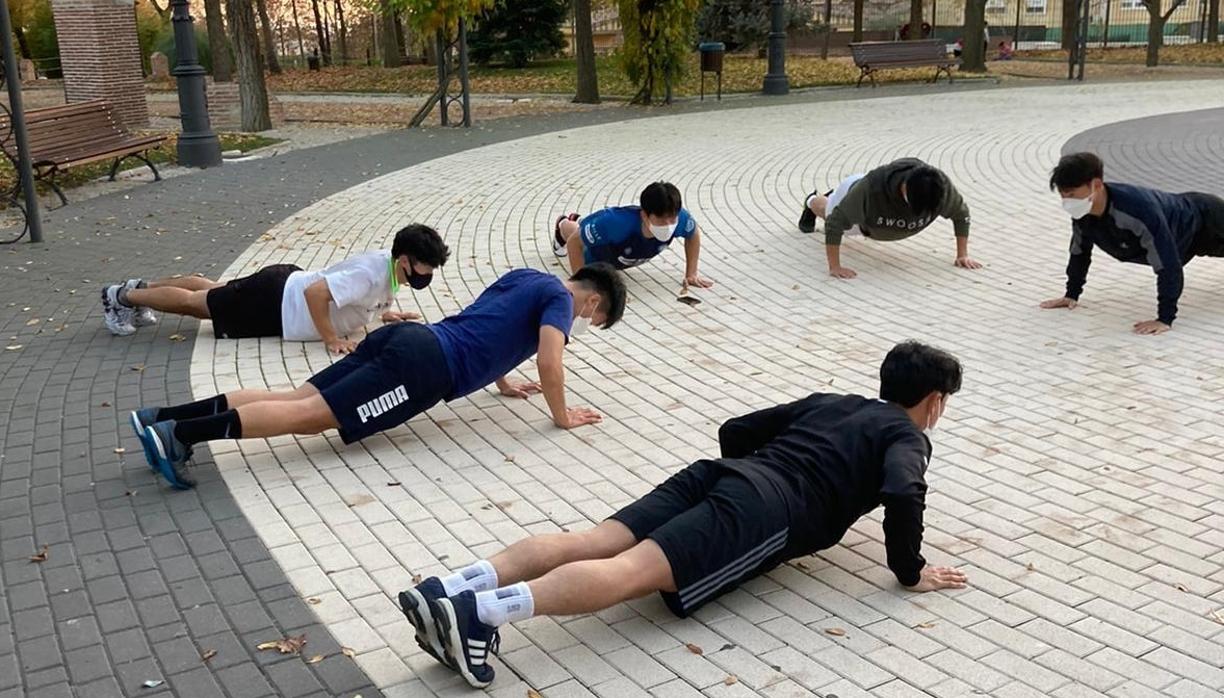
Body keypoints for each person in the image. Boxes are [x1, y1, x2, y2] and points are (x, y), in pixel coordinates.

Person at [398, 341, 967, 688]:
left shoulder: (833, 402)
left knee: (594, 540)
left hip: (714, 476)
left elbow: (737, 431)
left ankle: (445, 588)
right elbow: (903, 492)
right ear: (935, 400)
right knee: (628, 574)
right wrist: (910, 571)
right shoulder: (908, 436)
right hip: (761, 508)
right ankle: (480, 613)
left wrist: (735, 486)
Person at [130, 264, 627, 489]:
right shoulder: (562, 302)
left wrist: (502, 381)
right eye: (594, 319)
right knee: (308, 417)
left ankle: (163, 418)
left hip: (413, 341)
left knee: (292, 394)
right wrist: (561, 417)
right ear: (593, 301)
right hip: (424, 368)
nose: (583, 321)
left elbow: (489, 326)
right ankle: (180, 437)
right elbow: (549, 360)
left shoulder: (529, 278)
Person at [100, 224, 450, 354]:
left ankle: (139, 288)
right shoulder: (370, 274)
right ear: (405, 260)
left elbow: (356, 298)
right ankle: (119, 297)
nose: (428, 274)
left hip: (281, 290)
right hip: (277, 301)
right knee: (198, 304)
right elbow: (317, 293)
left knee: (214, 290)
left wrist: (385, 313)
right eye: (426, 267)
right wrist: (332, 338)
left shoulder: (388, 271)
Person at [1041, 152, 1224, 335]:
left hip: (1206, 218)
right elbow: (1079, 252)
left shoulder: (1137, 210)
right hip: (1183, 240)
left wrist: (1164, 319)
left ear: (1096, 185)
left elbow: (1167, 264)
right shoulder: (1083, 215)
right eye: (1063, 196)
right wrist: (1071, 294)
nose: (1068, 202)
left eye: (1072, 195)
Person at [796, 159, 982, 278]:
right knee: (829, 212)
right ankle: (812, 200)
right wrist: (835, 267)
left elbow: (961, 214)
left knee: (840, 209)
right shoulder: (871, 190)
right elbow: (835, 223)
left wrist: (962, 255)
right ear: (904, 189)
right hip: (856, 203)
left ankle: (832, 198)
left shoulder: (939, 187)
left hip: (868, 208)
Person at [552, 181, 714, 289]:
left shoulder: (681, 218)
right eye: (661, 220)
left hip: (614, 250)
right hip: (595, 253)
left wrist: (691, 273)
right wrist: (581, 284)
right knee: (577, 233)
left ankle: (580, 222)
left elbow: (693, 234)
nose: (668, 224)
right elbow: (574, 242)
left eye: (672, 218)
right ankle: (563, 223)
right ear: (644, 215)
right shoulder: (616, 223)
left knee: (590, 231)